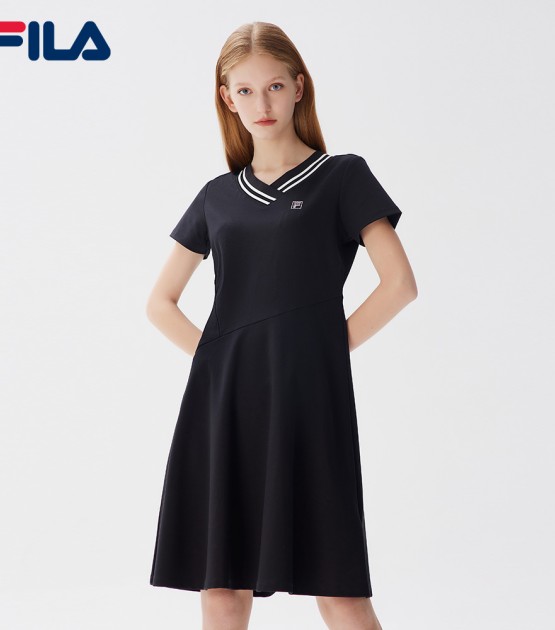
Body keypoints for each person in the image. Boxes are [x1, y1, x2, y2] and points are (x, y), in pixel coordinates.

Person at [147, 21, 417, 630]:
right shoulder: (217, 195)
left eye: (273, 86)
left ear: (299, 87)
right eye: (244, 91)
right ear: (226, 98)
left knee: (338, 587)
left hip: (309, 398)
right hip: (222, 405)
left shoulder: (342, 177)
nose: (260, 103)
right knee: (221, 589)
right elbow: (160, 302)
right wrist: (220, 364)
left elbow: (400, 283)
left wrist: (321, 351)